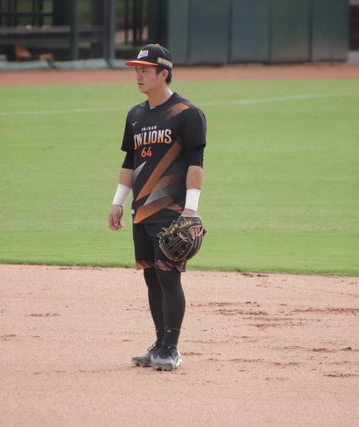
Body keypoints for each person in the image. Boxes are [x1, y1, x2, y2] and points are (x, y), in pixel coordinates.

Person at [107, 44, 207, 371]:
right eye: (136, 69)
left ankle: (172, 349)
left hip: (172, 212)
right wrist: (118, 202)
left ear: (163, 73)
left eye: (145, 70)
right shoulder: (135, 115)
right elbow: (129, 161)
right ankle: (160, 344)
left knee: (169, 279)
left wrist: (190, 210)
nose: (138, 75)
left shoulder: (187, 113)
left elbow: (195, 163)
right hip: (141, 212)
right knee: (151, 279)